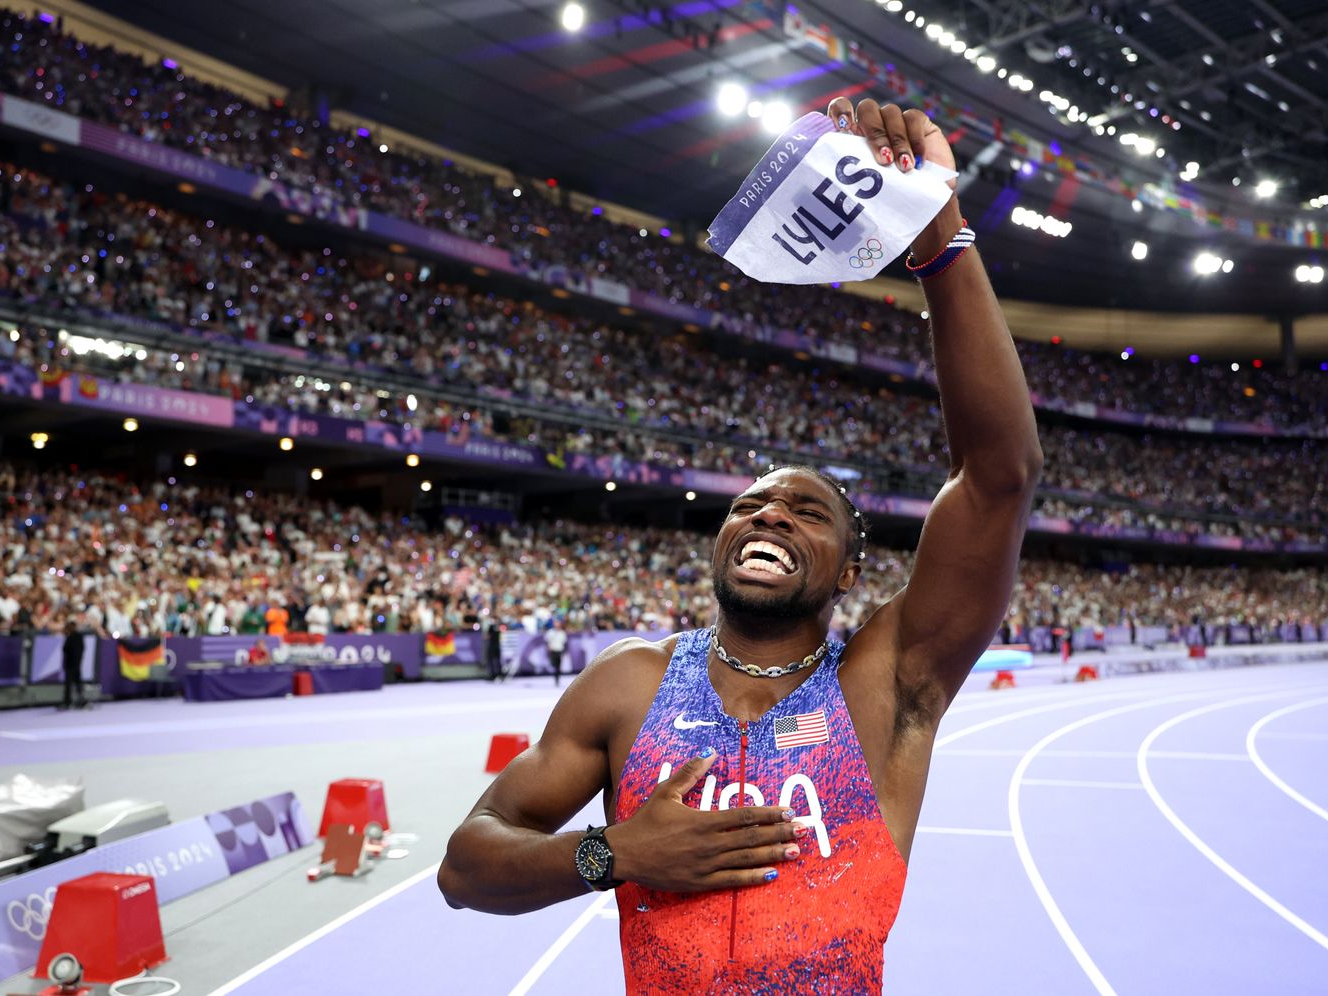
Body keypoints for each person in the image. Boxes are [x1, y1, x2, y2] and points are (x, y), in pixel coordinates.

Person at [438, 98, 1041, 994]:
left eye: (806, 512)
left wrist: (939, 240)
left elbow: (1000, 474)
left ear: (850, 570)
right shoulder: (627, 684)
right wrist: (616, 853)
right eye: (752, 506)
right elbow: (466, 868)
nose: (769, 517)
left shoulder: (892, 679)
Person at [61, 618, 91, 710]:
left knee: (70, 684)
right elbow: (81, 649)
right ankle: (81, 701)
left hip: (70, 664)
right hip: (77, 663)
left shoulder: (70, 638)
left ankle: (69, 702)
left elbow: (65, 649)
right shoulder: (79, 637)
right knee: (78, 684)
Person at [544, 619, 568, 687]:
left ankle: (557, 679)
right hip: (553, 650)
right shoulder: (550, 632)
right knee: (553, 664)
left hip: (559, 650)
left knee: (558, 666)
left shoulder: (562, 633)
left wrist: (565, 651)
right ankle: (556, 675)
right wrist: (548, 647)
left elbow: (565, 643)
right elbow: (546, 641)